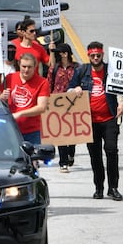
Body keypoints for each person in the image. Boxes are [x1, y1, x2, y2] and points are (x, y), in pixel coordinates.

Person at [69, 41, 123, 201]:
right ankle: (99, 187)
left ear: (102, 55)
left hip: (110, 118)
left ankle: (113, 187)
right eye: (93, 55)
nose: (96, 58)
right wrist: (75, 90)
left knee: (111, 152)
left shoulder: (112, 71)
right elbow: (68, 89)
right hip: (89, 121)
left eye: (98, 55)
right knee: (95, 156)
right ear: (88, 56)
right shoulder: (81, 71)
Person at [4, 52, 51, 145]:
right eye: (24, 66)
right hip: (11, 129)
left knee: (32, 159)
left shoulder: (43, 82)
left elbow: (42, 107)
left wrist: (20, 114)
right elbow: (0, 99)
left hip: (31, 132)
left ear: (35, 67)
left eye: (29, 67)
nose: (26, 70)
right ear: (19, 65)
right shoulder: (10, 78)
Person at [47, 42, 80, 172]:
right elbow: (49, 84)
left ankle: (71, 152)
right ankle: (63, 162)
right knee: (61, 133)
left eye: (59, 53)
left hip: (73, 103)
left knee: (72, 133)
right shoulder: (54, 68)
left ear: (65, 54)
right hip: (58, 103)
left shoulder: (77, 68)